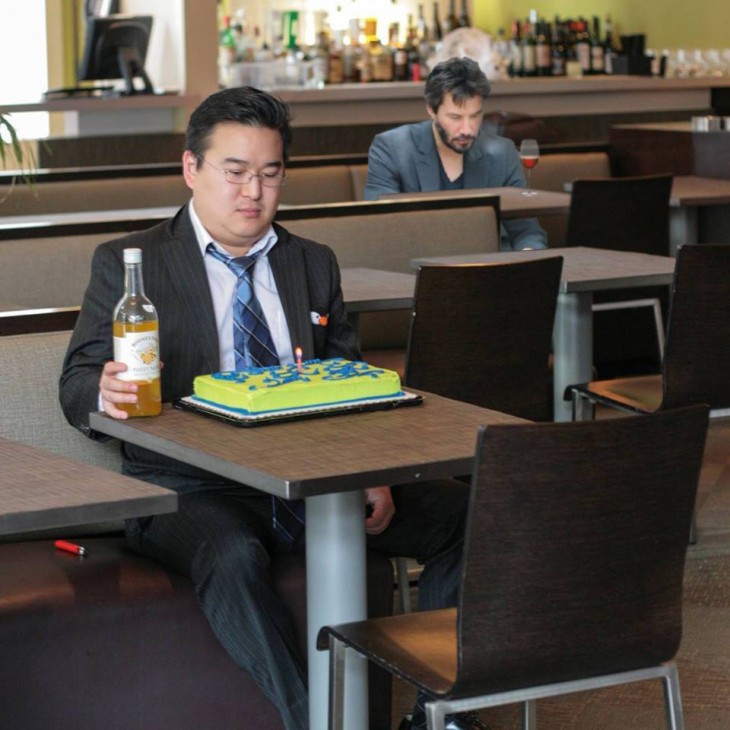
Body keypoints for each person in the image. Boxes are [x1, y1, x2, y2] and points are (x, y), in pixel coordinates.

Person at [59, 87, 486, 730]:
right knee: (231, 554)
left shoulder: (311, 263)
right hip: (190, 487)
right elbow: (74, 382)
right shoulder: (133, 264)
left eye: (269, 173)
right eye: (234, 172)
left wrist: (373, 471)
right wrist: (103, 389)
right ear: (191, 169)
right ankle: (312, 721)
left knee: (468, 514)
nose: (252, 192)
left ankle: (439, 718)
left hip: (311, 483)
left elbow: (356, 389)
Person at [365, 56, 547, 252]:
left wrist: (528, 256)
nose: (467, 129)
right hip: (419, 271)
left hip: (490, 271)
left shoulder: (502, 153)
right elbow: (380, 226)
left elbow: (526, 230)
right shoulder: (391, 148)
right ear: (431, 110)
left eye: (475, 116)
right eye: (455, 117)